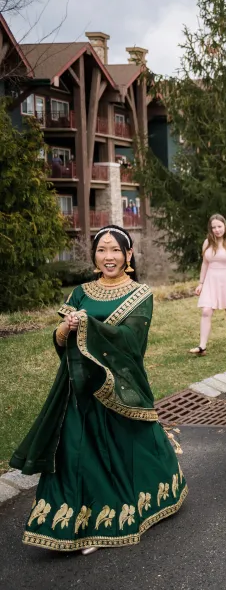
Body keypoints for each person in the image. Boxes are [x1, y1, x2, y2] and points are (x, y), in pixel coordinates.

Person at [12, 226, 186, 553]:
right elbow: (60, 340)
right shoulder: (80, 293)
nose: (109, 257)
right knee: (77, 454)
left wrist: (89, 326)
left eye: (116, 250)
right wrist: (66, 328)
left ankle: (115, 515)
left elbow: (133, 344)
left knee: (125, 449)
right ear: (94, 255)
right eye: (102, 250)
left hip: (117, 384)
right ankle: (78, 522)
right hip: (77, 387)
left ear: (128, 256)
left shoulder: (140, 293)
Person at [191, 214, 226, 356]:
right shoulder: (207, 243)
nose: (217, 230)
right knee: (206, 311)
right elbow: (205, 264)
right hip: (211, 280)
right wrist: (201, 283)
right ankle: (202, 346)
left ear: (224, 226)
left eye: (219, 226)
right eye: (213, 227)